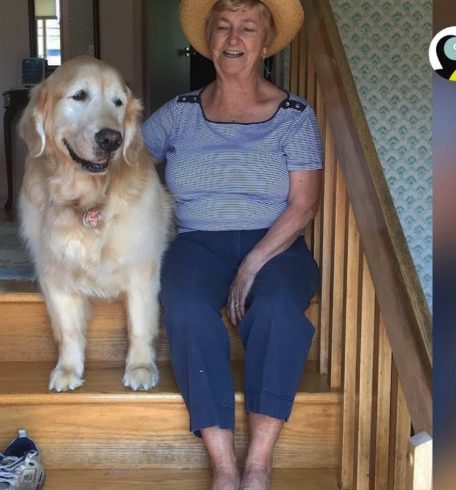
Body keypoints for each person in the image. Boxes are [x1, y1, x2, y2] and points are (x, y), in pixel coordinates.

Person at [142, 1, 321, 489]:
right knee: (184, 309)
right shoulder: (178, 114)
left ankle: (258, 464)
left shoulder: (294, 115)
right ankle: (223, 467)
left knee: (280, 309)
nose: (233, 38)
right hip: (199, 242)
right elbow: (129, 159)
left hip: (276, 243)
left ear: (265, 43)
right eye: (222, 28)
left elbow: (303, 205)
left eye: (247, 29)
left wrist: (252, 264)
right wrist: (92, 199)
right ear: (209, 41)